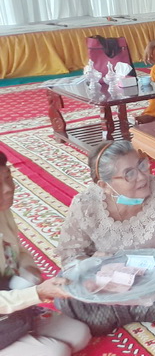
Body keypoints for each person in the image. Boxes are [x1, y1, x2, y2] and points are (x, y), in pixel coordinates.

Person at [56, 140, 155, 335]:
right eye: (129, 174)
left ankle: (121, 310)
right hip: (99, 277)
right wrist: (93, 264)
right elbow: (70, 254)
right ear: (105, 185)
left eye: (141, 165)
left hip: (144, 274)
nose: (142, 176)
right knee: (80, 309)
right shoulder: (86, 205)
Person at [0, 151, 90, 356]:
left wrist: (28, 275)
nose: (7, 189)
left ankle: (20, 327)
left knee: (79, 334)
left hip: (9, 301)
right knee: (56, 352)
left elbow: (15, 250)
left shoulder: (2, 210)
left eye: (7, 177)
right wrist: (37, 293)